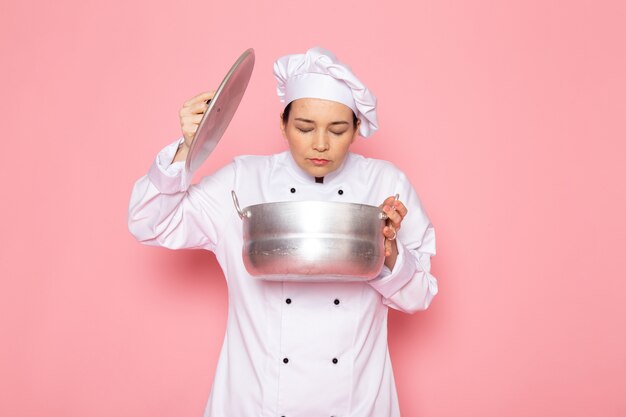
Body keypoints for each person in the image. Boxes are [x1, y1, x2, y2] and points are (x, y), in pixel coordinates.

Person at [128, 47, 438, 417]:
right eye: (304, 127)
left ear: (356, 129)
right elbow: (149, 223)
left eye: (337, 129)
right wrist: (185, 149)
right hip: (254, 402)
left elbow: (419, 297)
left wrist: (388, 253)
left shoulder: (385, 183)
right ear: (283, 123)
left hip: (356, 404)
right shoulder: (244, 179)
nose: (320, 143)